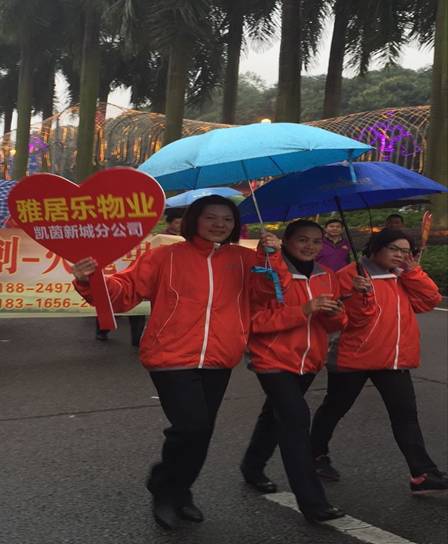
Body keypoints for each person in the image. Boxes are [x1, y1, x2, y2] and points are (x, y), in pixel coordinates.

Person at [71, 195, 282, 530]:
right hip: (170, 356)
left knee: (202, 431)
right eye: (210, 217)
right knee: (191, 426)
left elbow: (267, 296)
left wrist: (272, 259)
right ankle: (164, 488)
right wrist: (90, 280)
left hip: (220, 357)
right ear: (194, 219)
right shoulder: (165, 256)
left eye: (227, 219)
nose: (219, 224)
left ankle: (182, 491)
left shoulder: (245, 259)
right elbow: (125, 291)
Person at [310, 228, 448, 494]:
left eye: (406, 251)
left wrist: (413, 272)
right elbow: (343, 318)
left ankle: (422, 473)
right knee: (335, 408)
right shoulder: (350, 275)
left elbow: (429, 301)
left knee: (405, 415)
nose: (400, 256)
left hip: (392, 359)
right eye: (394, 249)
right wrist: (354, 293)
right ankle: (314, 455)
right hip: (354, 356)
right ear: (376, 247)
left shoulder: (401, 276)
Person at [241, 219, 346, 522]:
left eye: (316, 241)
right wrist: (304, 310)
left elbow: (336, 323)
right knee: (296, 420)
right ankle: (313, 502)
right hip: (272, 360)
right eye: (302, 239)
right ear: (286, 241)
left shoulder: (327, 276)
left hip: (309, 361)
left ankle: (252, 466)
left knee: (274, 416)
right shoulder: (267, 272)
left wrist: (336, 314)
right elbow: (254, 321)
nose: (310, 246)